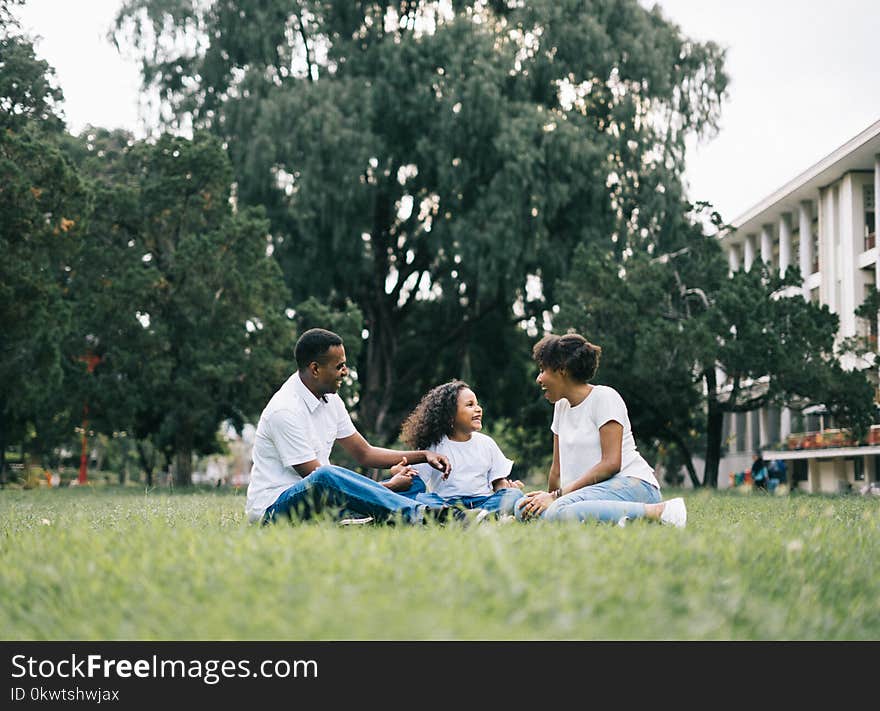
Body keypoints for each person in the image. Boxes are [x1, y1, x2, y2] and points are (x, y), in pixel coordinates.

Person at [245, 328, 463, 526]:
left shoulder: (331, 401)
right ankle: (419, 514)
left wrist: (424, 455)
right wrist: (388, 487)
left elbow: (365, 453)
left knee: (412, 484)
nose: (346, 372)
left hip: (322, 501)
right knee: (325, 475)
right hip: (274, 510)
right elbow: (319, 481)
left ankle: (449, 512)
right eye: (339, 366)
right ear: (315, 369)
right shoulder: (284, 410)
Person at [516, 332, 687, 527]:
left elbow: (611, 464)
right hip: (589, 493)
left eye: (542, 370)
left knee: (559, 511)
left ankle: (660, 511)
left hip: (632, 484)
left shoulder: (604, 397)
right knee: (523, 509)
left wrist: (557, 497)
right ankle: (614, 518)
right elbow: (557, 470)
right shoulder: (561, 407)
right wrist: (546, 499)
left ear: (561, 369)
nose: (539, 379)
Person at [396, 380, 525, 519]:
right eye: (470, 405)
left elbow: (498, 482)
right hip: (447, 504)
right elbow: (416, 482)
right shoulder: (433, 447)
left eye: (477, 404)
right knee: (423, 498)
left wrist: (505, 491)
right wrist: (400, 472)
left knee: (514, 495)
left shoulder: (487, 443)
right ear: (450, 415)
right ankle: (474, 517)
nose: (478, 409)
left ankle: (474, 517)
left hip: (483, 501)